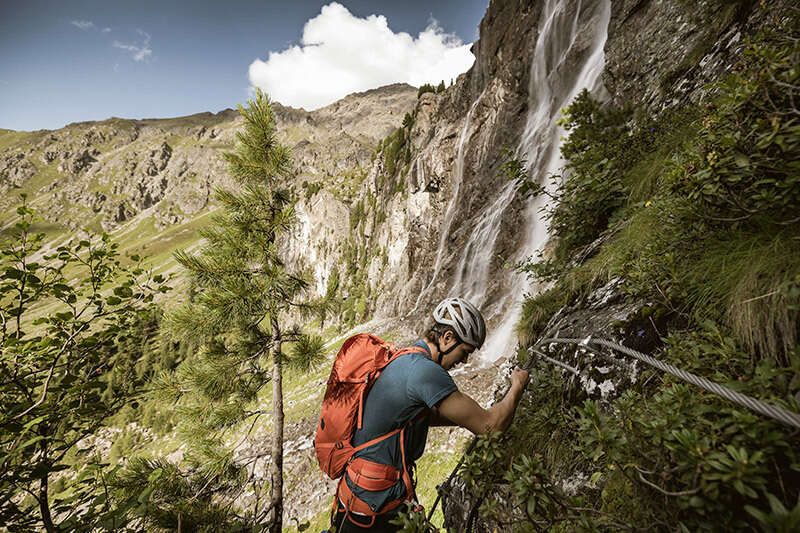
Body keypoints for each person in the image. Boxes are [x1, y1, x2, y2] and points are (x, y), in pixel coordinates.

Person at [330, 297, 530, 532]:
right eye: (465, 351)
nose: (464, 360)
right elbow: (491, 427)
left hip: (357, 500)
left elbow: (407, 416)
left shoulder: (406, 356)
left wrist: (463, 419)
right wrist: (517, 386)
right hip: (376, 508)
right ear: (447, 338)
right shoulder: (425, 372)